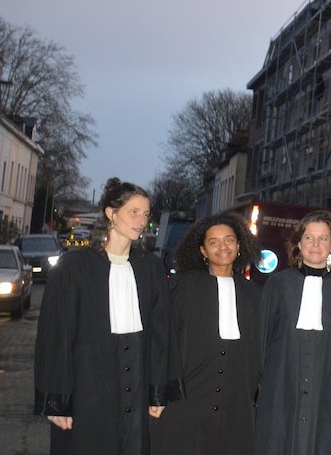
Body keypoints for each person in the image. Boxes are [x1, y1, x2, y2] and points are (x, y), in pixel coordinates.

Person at [34, 177, 173, 455]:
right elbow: (56, 335)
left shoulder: (151, 269)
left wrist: (158, 390)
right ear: (111, 213)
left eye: (145, 214)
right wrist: (56, 399)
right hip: (87, 382)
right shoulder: (75, 266)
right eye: (133, 212)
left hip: (135, 379)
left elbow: (161, 335)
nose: (141, 220)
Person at [255, 210, 331, 455]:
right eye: (309, 238)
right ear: (298, 242)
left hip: (329, 387)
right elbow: (261, 338)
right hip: (281, 385)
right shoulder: (278, 284)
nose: (315, 244)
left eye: (323, 238)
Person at [151, 214, 262, 455]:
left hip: (235, 403)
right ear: (202, 250)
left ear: (239, 245)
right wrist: (157, 390)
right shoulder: (182, 286)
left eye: (229, 240)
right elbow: (161, 340)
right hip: (186, 398)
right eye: (214, 242)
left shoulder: (253, 294)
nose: (223, 247)